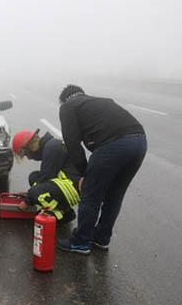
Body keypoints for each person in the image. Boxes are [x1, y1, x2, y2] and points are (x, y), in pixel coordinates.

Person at [57, 84, 147, 254]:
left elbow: (72, 143)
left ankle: (80, 241)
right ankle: (102, 238)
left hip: (113, 145)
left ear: (64, 100)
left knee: (91, 195)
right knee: (115, 194)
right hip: (140, 142)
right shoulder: (101, 101)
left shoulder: (68, 106)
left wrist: (84, 173)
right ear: (82, 94)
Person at [12, 129, 80, 223]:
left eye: (26, 154)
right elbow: (43, 177)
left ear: (30, 146)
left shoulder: (51, 148)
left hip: (72, 187)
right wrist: (30, 194)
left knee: (36, 192)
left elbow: (46, 178)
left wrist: (27, 200)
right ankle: (64, 209)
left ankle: (63, 214)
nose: (28, 157)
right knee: (34, 177)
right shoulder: (50, 146)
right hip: (68, 182)